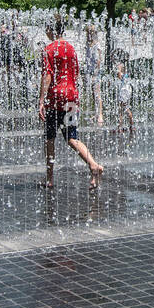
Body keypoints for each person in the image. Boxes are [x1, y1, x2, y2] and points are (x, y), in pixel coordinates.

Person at [39, 15, 103, 189]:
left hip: (55, 99)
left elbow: (47, 76)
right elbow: (75, 74)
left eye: (47, 28)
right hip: (71, 97)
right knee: (72, 137)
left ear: (51, 29)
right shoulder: (71, 48)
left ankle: (50, 179)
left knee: (50, 139)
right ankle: (93, 164)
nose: (46, 31)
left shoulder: (49, 49)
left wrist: (41, 100)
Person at [83, 22, 105, 127]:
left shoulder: (97, 44)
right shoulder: (88, 44)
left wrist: (95, 74)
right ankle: (96, 113)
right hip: (89, 71)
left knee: (97, 94)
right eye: (87, 33)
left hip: (95, 72)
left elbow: (98, 60)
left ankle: (100, 114)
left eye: (89, 33)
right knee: (93, 94)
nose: (87, 35)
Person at [115, 62, 134, 137]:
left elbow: (119, 77)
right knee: (125, 108)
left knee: (121, 110)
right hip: (127, 91)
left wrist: (119, 70)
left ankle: (120, 127)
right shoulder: (126, 75)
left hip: (124, 92)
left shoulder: (122, 74)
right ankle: (131, 125)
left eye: (118, 67)